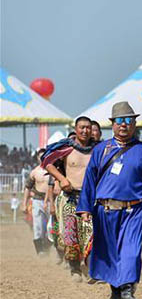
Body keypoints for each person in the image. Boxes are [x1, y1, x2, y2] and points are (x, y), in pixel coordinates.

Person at [76, 101, 142, 299]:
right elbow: (90, 179)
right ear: (112, 124)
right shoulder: (100, 150)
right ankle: (115, 290)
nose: (124, 125)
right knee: (109, 251)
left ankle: (127, 292)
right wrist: (85, 207)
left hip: (136, 209)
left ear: (134, 124)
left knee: (130, 250)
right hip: (105, 210)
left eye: (129, 120)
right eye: (120, 121)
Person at [42, 116, 98, 280]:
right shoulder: (66, 148)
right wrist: (62, 178)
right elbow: (47, 161)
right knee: (70, 234)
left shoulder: (98, 150)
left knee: (90, 233)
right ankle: (75, 269)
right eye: (82, 127)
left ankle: (90, 267)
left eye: (88, 127)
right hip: (69, 197)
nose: (85, 131)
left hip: (89, 198)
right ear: (76, 128)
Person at [22, 149, 51, 256]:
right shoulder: (34, 172)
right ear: (38, 158)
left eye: (45, 156)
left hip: (50, 201)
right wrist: (24, 203)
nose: (42, 158)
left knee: (50, 227)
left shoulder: (53, 170)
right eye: (40, 156)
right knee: (38, 226)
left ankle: (48, 248)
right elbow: (27, 188)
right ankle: (40, 251)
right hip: (37, 200)